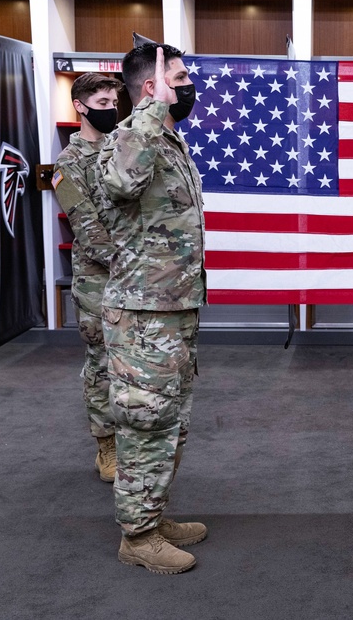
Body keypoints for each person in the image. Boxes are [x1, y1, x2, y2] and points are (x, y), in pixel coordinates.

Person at [97, 42, 206, 574]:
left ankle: (153, 516)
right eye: (179, 76)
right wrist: (149, 110)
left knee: (171, 422)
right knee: (145, 422)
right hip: (142, 317)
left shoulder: (167, 143)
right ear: (150, 86)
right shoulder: (130, 138)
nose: (188, 85)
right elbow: (120, 183)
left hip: (172, 311)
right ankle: (137, 538)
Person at [51, 73, 123, 483]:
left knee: (134, 361)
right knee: (102, 362)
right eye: (102, 101)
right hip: (99, 279)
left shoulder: (124, 149)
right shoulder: (69, 163)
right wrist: (134, 261)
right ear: (80, 106)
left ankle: (132, 441)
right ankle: (105, 445)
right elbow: (87, 227)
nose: (111, 107)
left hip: (135, 276)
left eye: (115, 100)